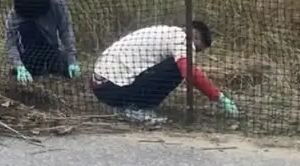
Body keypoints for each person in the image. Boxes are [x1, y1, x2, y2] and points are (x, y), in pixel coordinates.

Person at [89, 22, 239, 124]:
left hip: (102, 87)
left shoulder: (166, 32)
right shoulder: (183, 39)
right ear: (195, 37)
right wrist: (218, 96)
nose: (196, 52)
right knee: (177, 68)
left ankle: (127, 105)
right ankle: (136, 109)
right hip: (113, 89)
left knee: (177, 65)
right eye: (198, 48)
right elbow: (189, 72)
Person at [5, 0, 81, 83]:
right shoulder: (16, 13)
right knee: (27, 28)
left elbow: (65, 30)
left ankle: (53, 60)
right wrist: (18, 65)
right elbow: (10, 43)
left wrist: (72, 60)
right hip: (29, 44)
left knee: (64, 69)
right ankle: (30, 65)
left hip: (52, 44)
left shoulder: (57, 2)